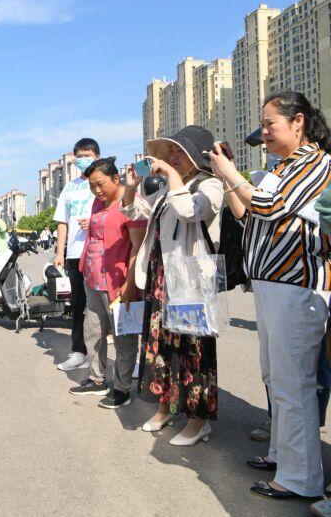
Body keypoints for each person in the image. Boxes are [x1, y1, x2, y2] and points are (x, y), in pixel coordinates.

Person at [210, 91, 331, 499]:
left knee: (293, 383)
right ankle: (283, 457)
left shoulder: (315, 163)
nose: (262, 133)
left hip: (296, 286)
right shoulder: (284, 167)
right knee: (277, 379)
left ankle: (300, 479)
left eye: (269, 124)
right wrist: (228, 179)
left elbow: (268, 205)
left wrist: (231, 172)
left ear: (298, 122)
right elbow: (248, 216)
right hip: (272, 285)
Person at [122, 125, 223, 446]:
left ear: (196, 155)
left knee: (194, 351)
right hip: (161, 280)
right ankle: (165, 407)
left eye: (180, 151)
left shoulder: (210, 185)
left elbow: (189, 210)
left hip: (191, 282)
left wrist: (172, 177)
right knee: (162, 349)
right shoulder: (169, 188)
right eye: (172, 152)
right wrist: (130, 188)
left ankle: (197, 420)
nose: (173, 157)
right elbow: (136, 210)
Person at [67, 158, 146, 408]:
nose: (96, 190)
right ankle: (97, 378)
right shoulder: (97, 203)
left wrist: (130, 282)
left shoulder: (130, 202)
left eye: (100, 184)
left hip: (117, 281)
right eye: (92, 186)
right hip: (92, 277)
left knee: (123, 337)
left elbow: (138, 246)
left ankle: (122, 388)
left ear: (116, 178)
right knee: (93, 330)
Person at [54, 138, 99, 371]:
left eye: (87, 155)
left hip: (99, 252)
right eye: (79, 156)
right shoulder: (69, 188)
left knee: (103, 305)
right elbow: (62, 221)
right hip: (74, 253)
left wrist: (94, 222)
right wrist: (59, 252)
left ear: (97, 157)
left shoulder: (103, 182)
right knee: (79, 304)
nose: (83, 160)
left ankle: (111, 355)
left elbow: (116, 212)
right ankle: (79, 352)